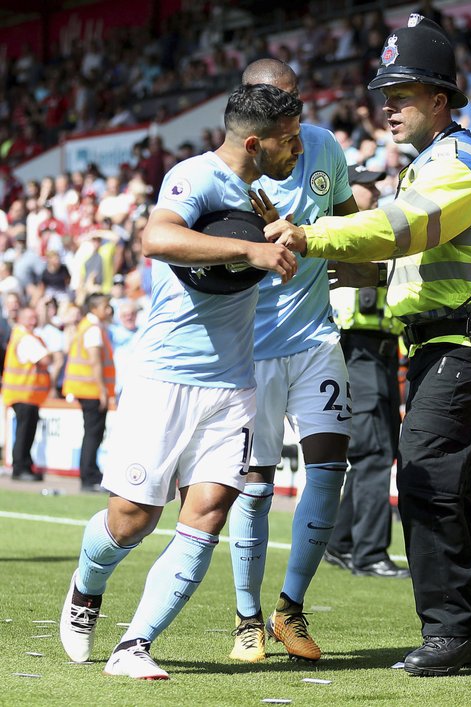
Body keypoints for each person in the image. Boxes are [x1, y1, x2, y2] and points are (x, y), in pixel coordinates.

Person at [266, 14, 471, 677]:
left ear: (441, 99)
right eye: (386, 95)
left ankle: (452, 631)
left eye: (402, 94)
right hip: (451, 342)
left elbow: (398, 232)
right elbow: (395, 258)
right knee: (447, 485)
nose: (389, 108)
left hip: (465, 340)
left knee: (426, 475)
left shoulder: (460, 165)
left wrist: (310, 235)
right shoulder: (435, 163)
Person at [57, 82, 299, 680]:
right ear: (253, 142)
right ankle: (87, 585)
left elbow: (264, 265)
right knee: (133, 518)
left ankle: (134, 646)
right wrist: (250, 254)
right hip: (166, 376)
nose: (296, 149)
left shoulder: (258, 197)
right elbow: (155, 238)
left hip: (233, 384)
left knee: (211, 509)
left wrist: (283, 244)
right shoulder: (194, 176)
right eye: (287, 141)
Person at [226, 59, 356, 665]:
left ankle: (289, 609)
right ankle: (246, 617)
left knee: (330, 467)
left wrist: (327, 235)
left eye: (297, 103)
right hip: (253, 350)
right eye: (280, 107)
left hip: (316, 337)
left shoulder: (324, 145)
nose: (294, 119)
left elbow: (353, 219)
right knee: (254, 487)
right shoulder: (230, 175)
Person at [323, 163, 410, 580]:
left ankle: (340, 544)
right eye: (366, 187)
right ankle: (370, 553)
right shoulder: (345, 232)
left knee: (374, 452)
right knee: (374, 453)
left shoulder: (361, 231)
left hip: (379, 351)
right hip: (357, 349)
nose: (375, 193)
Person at [62, 293, 114, 493]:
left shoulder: (88, 326)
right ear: (95, 308)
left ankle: (90, 473)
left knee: (93, 433)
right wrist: (102, 390)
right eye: (106, 306)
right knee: (93, 434)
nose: (109, 310)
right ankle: (89, 476)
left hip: (86, 389)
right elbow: (95, 361)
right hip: (91, 390)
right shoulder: (93, 329)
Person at [1, 306, 52, 482]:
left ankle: (25, 466)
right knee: (24, 433)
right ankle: (20, 468)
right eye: (30, 317)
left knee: (27, 432)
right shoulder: (26, 338)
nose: (34, 321)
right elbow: (45, 359)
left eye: (35, 317)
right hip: (24, 394)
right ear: (21, 319)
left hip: (26, 394)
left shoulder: (21, 336)